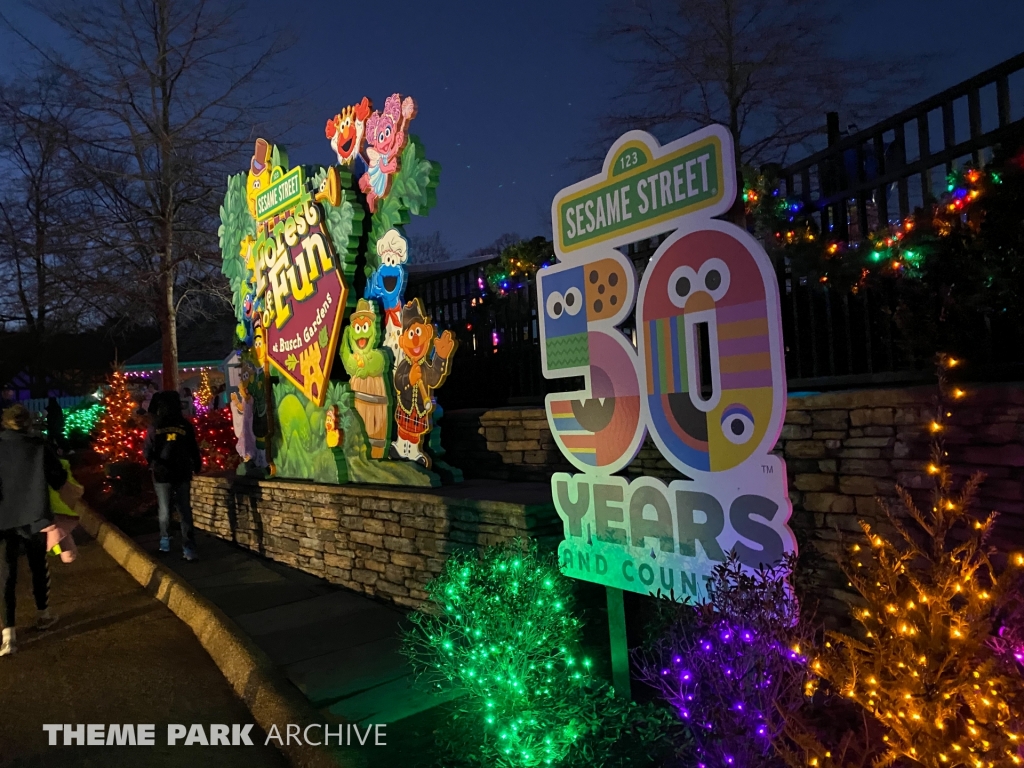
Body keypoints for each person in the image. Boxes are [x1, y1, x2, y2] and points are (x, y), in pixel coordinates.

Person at [0, 404, 67, 657]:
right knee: (38, 566)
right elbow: (58, 478)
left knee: (5, 575)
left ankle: (9, 635)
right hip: (34, 517)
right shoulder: (39, 445)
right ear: (28, 423)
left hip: (3, 518)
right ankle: (43, 614)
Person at [144, 391, 202, 561]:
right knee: (178, 511)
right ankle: (179, 545)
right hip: (169, 474)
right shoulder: (181, 425)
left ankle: (175, 543)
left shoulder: (160, 425)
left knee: (171, 511)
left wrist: (196, 463)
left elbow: (147, 451)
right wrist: (196, 463)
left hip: (174, 474)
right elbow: (148, 451)